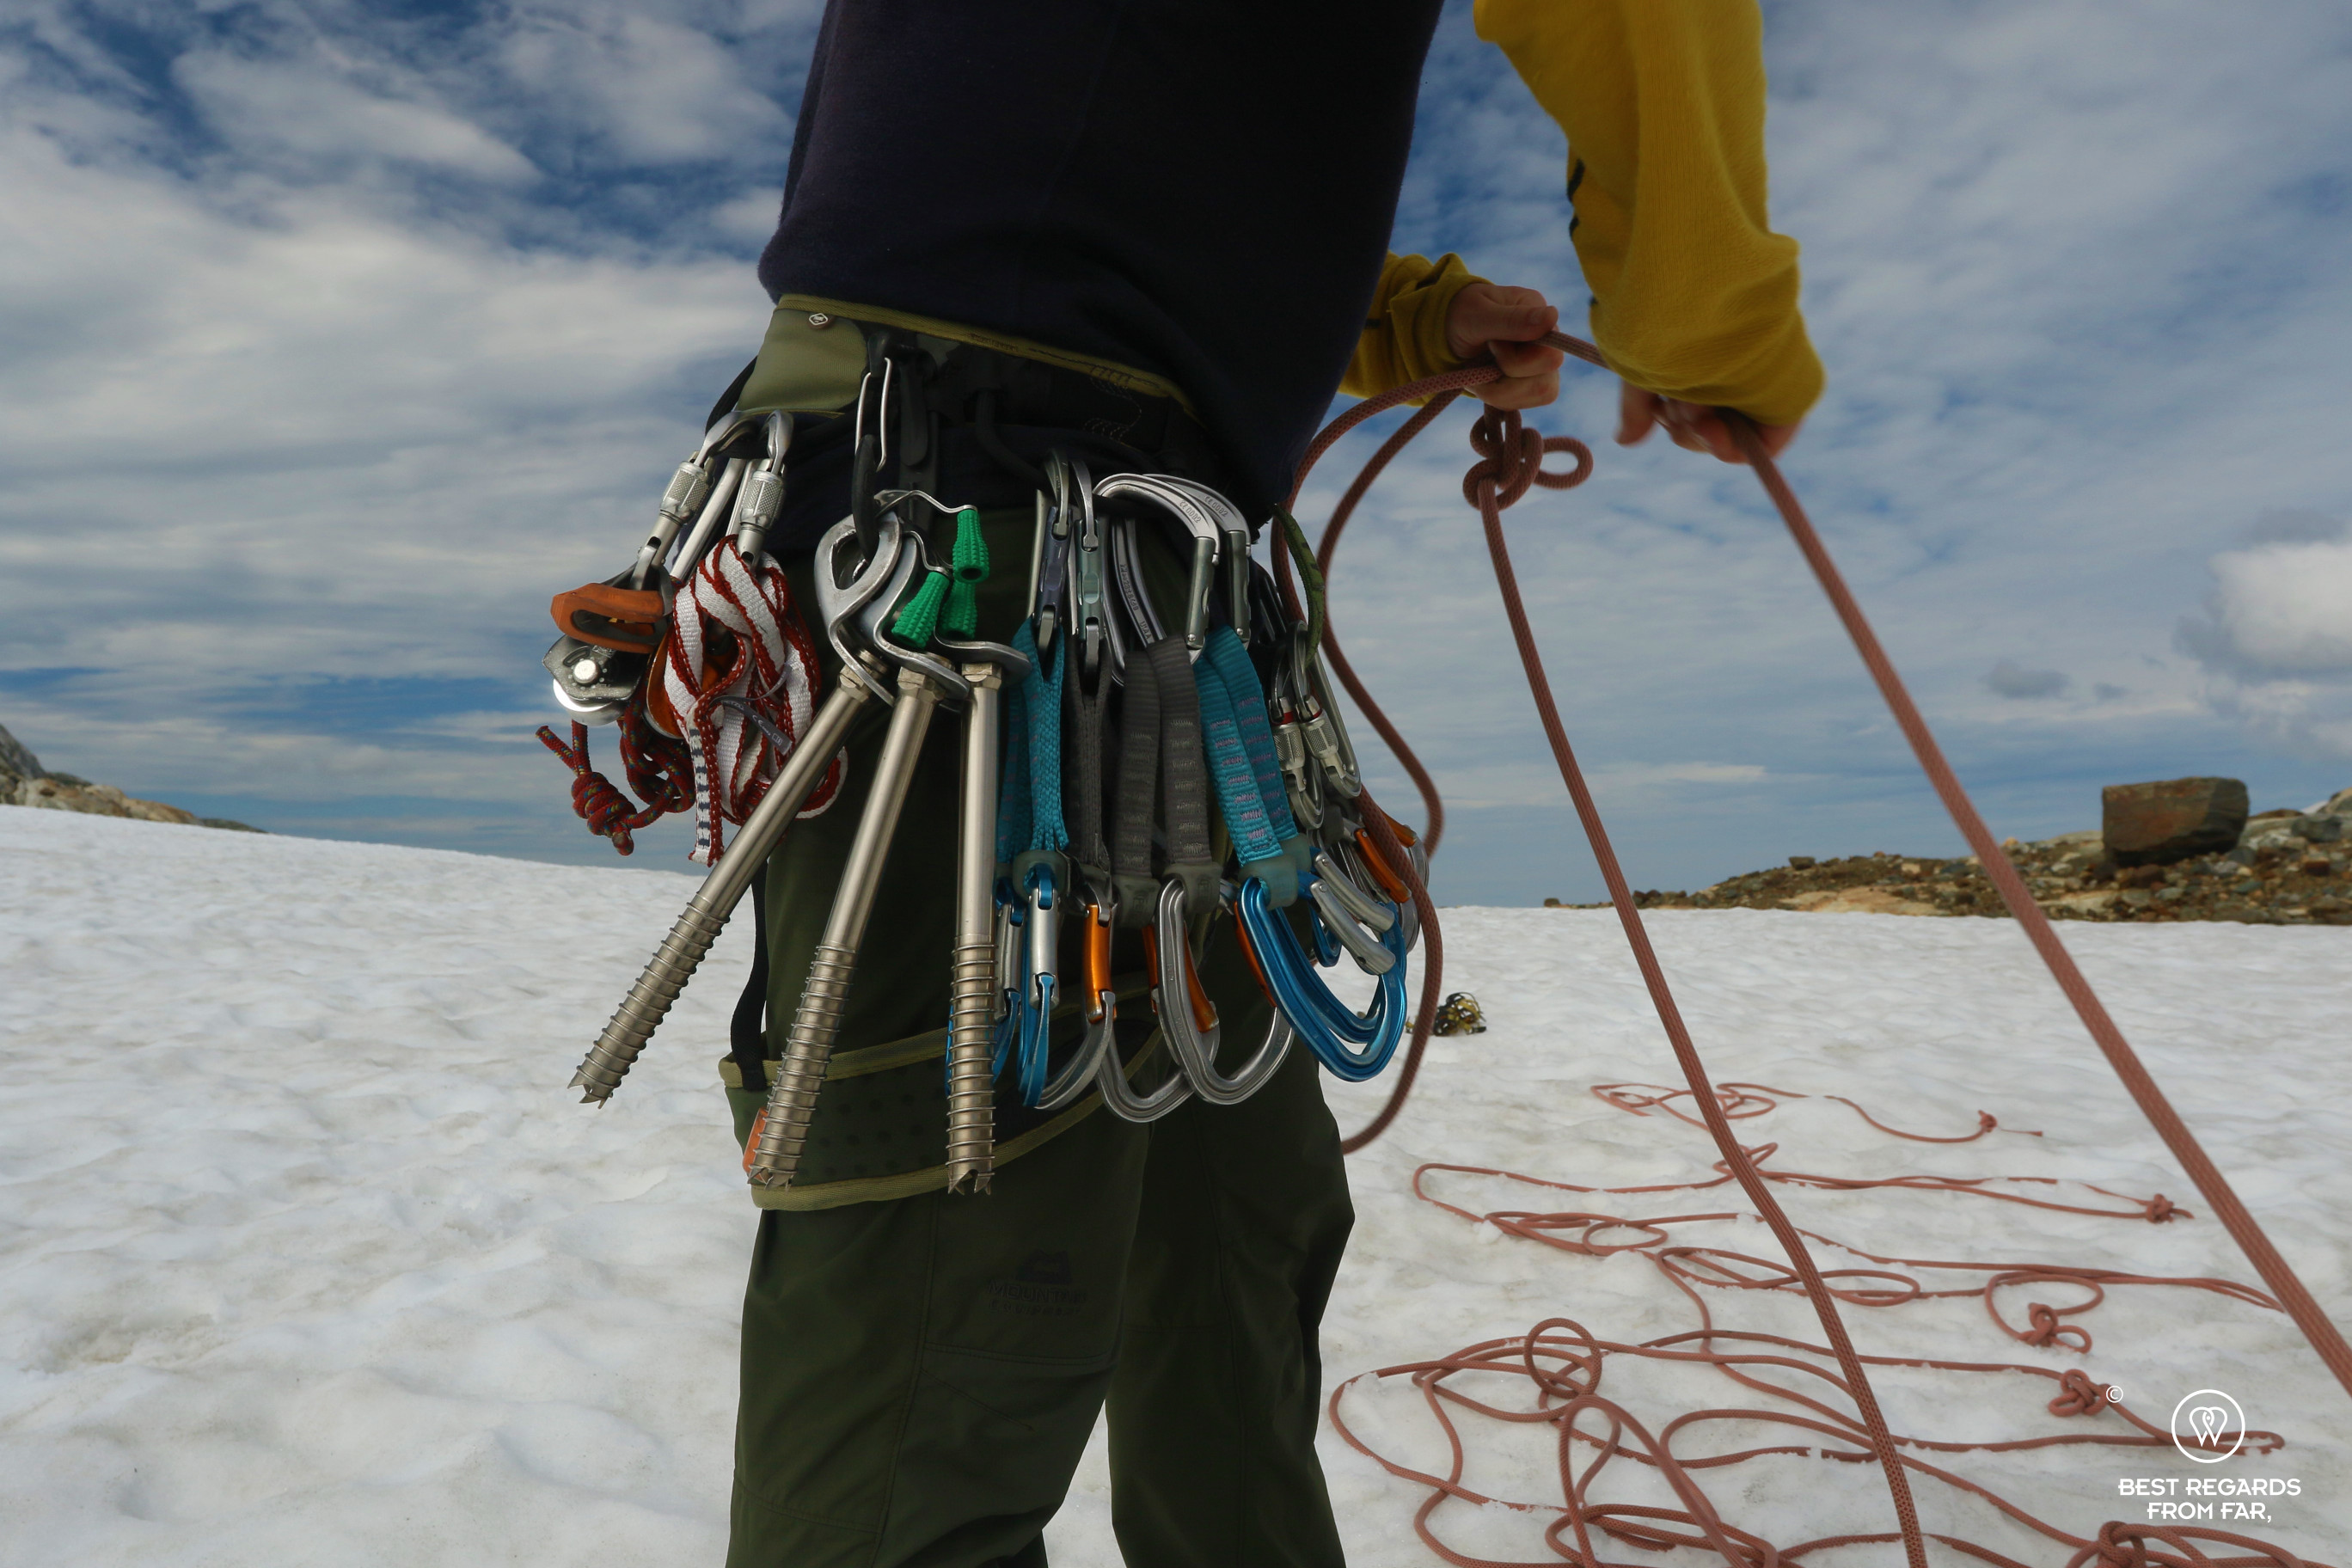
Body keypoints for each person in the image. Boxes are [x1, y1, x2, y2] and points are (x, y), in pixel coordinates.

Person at [708, 4, 1821, 1565]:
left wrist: (1407, 319)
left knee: (1228, 1222)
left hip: (1147, 578)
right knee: (942, 1304)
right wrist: (1706, 317)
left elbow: (1081, 119)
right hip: (982, 542)